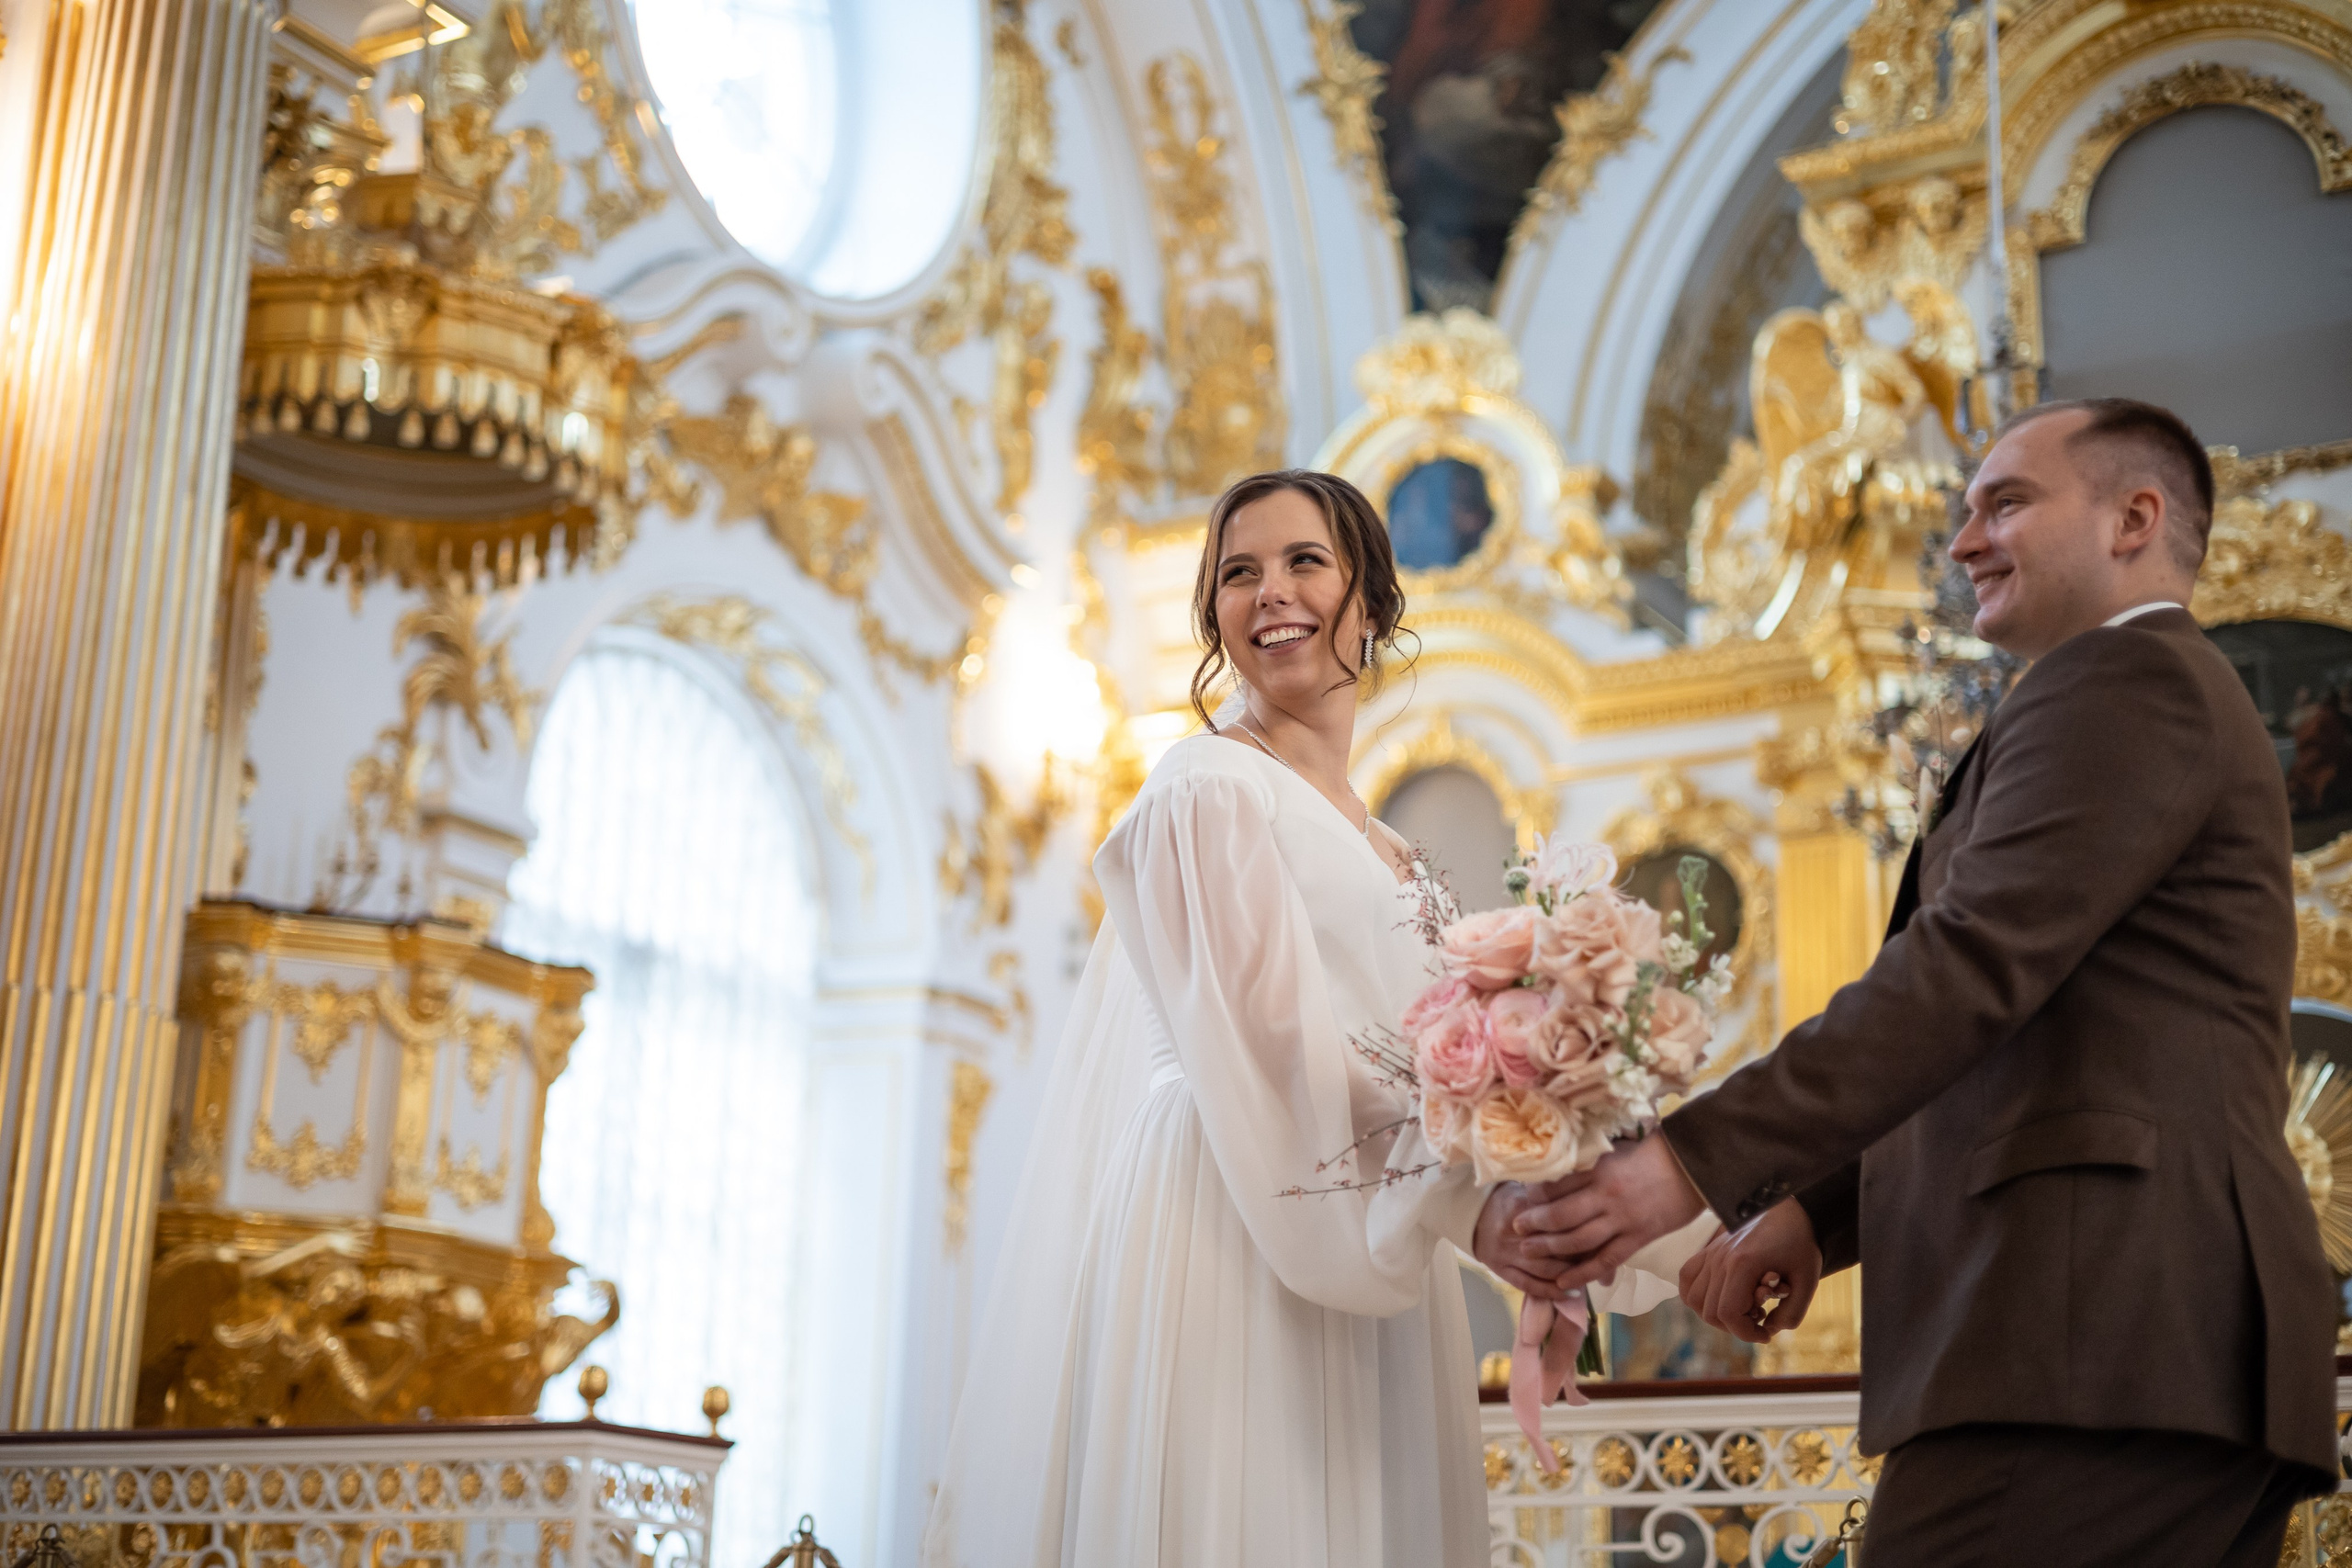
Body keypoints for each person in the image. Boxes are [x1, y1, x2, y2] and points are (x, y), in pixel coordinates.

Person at [1507, 400, 2340, 1562]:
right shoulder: (2129, 689)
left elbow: (1964, 973)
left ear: (2133, 519)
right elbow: (2017, 1025)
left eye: (2006, 502)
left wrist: (1690, 1163)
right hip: (2129, 1345)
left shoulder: (2121, 680)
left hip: (2086, 1342)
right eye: (1964, 510)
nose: (1962, 542)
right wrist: (1815, 1211)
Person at [920, 469, 1597, 1568]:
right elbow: (1273, 1042)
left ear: (1368, 604)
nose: (1269, 590)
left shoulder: (1392, 854)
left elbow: (1430, 1058)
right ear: (1215, 620)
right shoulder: (1205, 787)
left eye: (1303, 562)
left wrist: (1542, 1184)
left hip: (1377, 1214)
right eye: (1238, 572)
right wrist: (1477, 1207)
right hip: (1231, 1199)